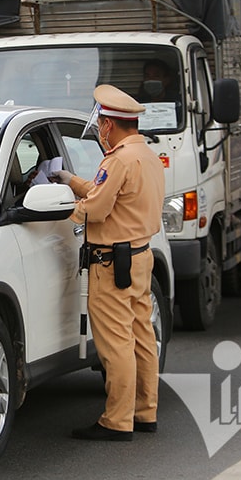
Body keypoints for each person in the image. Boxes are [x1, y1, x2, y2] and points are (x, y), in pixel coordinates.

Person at [51, 85, 166, 441]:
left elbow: (98, 209)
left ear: (109, 126)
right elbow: (111, 195)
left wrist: (64, 207)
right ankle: (145, 413)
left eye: (101, 122)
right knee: (141, 337)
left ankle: (117, 421)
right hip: (138, 257)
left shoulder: (117, 159)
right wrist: (71, 181)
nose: (99, 129)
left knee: (116, 345)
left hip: (110, 263)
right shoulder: (145, 156)